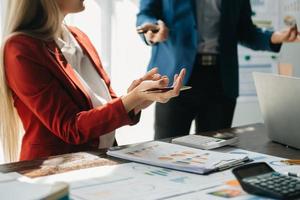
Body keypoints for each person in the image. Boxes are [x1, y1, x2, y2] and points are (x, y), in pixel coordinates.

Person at [0, 0, 186, 162]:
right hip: (52, 174)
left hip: (98, 163)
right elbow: (71, 128)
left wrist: (138, 100)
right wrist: (132, 99)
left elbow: (106, 108)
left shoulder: (79, 37)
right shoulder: (20, 49)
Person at [136, 0, 300, 140]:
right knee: (165, 150)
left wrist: (276, 37)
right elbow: (145, 14)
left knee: (214, 156)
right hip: (175, 78)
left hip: (220, 81)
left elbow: (245, 31)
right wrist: (151, 30)